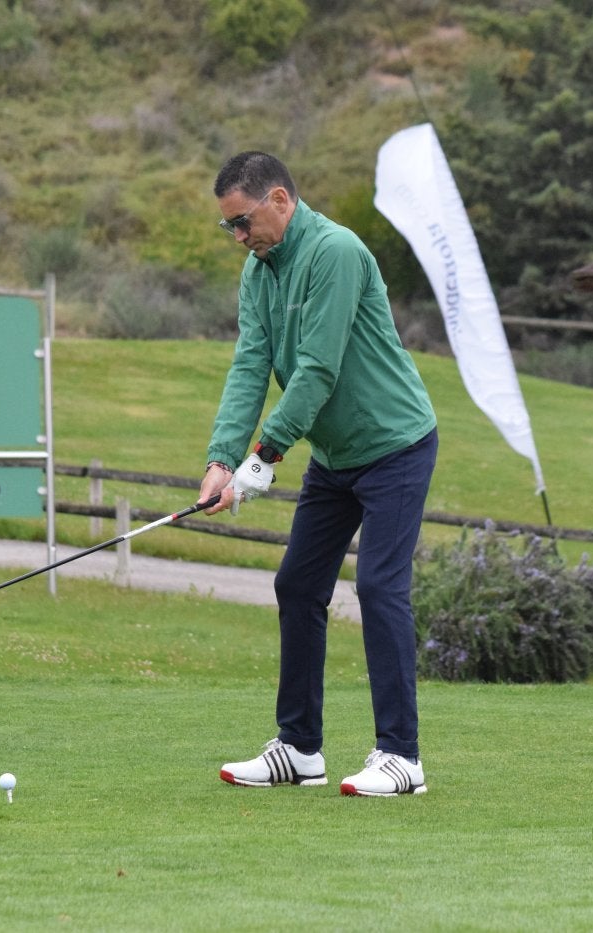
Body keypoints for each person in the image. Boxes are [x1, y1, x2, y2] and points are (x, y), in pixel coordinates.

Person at [198, 151, 439, 797]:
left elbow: (317, 369)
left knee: (380, 586)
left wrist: (265, 456)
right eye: (230, 228)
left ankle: (402, 757)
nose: (239, 238)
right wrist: (222, 460)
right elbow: (250, 365)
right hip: (336, 456)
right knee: (298, 584)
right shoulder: (260, 270)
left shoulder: (336, 251)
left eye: (243, 222)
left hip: (395, 444)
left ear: (280, 199)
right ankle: (300, 748)